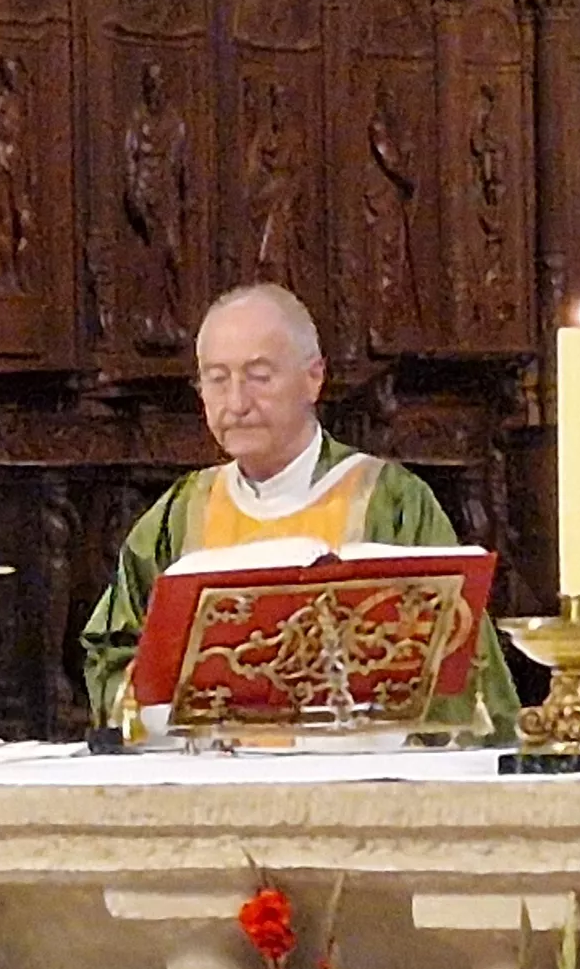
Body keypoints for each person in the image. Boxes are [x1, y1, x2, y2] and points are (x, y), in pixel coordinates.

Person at [78, 284, 521, 742]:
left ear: (313, 377)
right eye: (216, 378)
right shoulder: (179, 513)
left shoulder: (387, 500)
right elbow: (112, 656)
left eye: (259, 375)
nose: (236, 403)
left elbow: (464, 663)